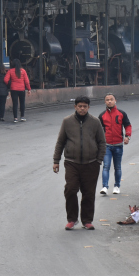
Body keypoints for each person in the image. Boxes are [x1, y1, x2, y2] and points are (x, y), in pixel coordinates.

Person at [53, 96, 107, 230]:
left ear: (88, 107)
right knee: (70, 190)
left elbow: (102, 142)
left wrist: (98, 161)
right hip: (72, 163)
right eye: (80, 106)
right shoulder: (67, 121)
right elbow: (60, 142)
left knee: (88, 193)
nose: (82, 108)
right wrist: (56, 161)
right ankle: (71, 219)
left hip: (91, 163)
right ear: (75, 107)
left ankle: (87, 221)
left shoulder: (95, 122)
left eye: (85, 106)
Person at [98, 92, 132, 195]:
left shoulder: (121, 114)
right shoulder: (102, 116)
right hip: (106, 146)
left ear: (115, 100)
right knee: (106, 166)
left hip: (118, 145)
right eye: (107, 100)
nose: (109, 101)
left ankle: (117, 186)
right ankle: (105, 187)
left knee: (117, 167)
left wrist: (127, 136)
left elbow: (128, 125)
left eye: (111, 99)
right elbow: (98, 130)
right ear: (105, 102)